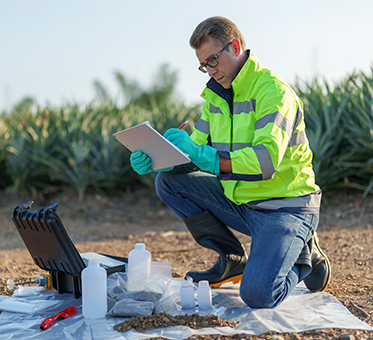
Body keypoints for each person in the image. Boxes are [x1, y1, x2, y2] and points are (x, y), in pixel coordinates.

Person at [129, 16, 331, 309]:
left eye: (213, 60)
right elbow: (193, 151)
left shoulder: (273, 92)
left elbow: (265, 163)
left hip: (285, 207)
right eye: (203, 65)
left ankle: (304, 250)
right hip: (244, 203)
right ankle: (232, 260)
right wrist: (161, 157)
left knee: (259, 295)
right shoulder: (216, 97)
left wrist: (200, 155)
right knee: (169, 182)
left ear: (235, 47)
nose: (209, 71)